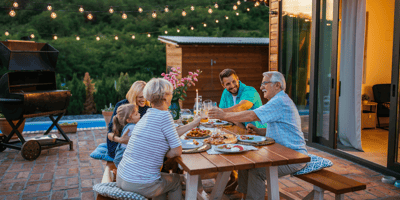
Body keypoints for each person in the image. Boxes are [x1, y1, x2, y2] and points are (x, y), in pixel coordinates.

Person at [209, 71, 307, 200]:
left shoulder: (280, 102)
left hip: (293, 156)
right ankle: (244, 196)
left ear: (277, 85)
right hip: (280, 152)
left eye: (264, 83)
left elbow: (252, 114)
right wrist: (258, 131)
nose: (261, 87)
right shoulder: (277, 100)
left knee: (256, 171)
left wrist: (223, 115)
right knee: (245, 163)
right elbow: (280, 129)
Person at [117, 78, 204, 200]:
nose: (172, 96)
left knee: (162, 182)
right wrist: (166, 154)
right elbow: (177, 151)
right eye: (171, 93)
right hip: (138, 183)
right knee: (175, 181)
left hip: (122, 176)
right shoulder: (164, 115)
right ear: (165, 96)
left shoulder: (147, 115)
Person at [107, 81, 150, 158]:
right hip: (118, 146)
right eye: (140, 97)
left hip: (136, 145)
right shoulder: (122, 105)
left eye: (145, 96)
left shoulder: (148, 109)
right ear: (134, 95)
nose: (143, 99)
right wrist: (121, 140)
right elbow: (110, 132)